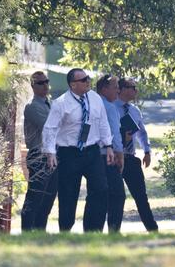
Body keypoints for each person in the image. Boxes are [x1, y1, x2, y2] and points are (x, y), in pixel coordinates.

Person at [42, 68, 115, 232]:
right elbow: (50, 128)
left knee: (101, 188)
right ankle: (66, 229)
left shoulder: (95, 98)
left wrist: (108, 146)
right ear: (73, 85)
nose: (87, 81)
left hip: (92, 151)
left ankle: (93, 230)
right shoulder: (61, 103)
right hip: (69, 154)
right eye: (83, 80)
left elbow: (103, 122)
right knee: (68, 194)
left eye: (88, 78)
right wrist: (50, 152)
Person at [115, 78, 159, 232]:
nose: (135, 90)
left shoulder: (134, 110)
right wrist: (121, 138)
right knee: (116, 198)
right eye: (131, 87)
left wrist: (147, 151)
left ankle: (152, 229)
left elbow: (141, 132)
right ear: (120, 89)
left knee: (141, 196)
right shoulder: (110, 108)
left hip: (131, 158)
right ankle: (114, 231)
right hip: (114, 159)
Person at [21, 71, 57, 231]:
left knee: (48, 198)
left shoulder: (50, 103)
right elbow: (51, 127)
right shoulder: (32, 106)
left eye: (46, 82)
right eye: (40, 83)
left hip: (52, 155)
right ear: (33, 86)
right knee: (35, 197)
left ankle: (40, 232)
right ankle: (27, 231)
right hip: (38, 155)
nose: (45, 85)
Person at [96, 74, 126, 233]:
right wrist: (120, 155)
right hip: (107, 155)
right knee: (117, 194)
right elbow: (115, 133)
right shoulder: (108, 107)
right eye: (115, 87)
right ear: (104, 89)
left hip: (93, 155)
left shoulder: (93, 104)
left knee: (100, 194)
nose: (118, 90)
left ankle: (96, 230)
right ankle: (114, 230)